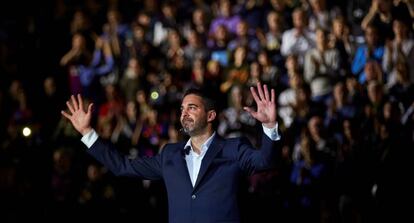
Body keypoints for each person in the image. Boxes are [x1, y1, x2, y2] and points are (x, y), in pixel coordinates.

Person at [61, 82, 281, 223]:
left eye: (192, 108)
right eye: (182, 109)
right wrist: (89, 133)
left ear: (211, 115)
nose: (184, 113)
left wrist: (269, 127)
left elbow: (265, 161)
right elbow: (122, 167)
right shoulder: (170, 155)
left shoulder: (234, 149)